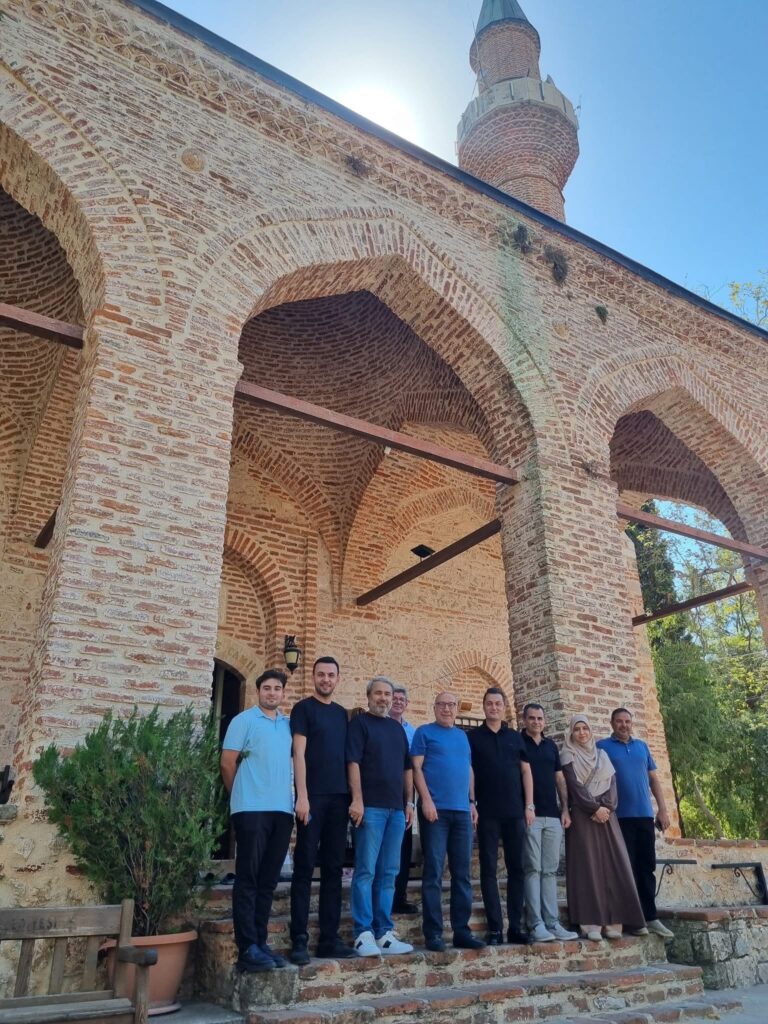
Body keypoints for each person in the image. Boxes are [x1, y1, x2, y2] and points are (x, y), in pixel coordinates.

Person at [220, 669, 294, 972]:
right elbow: (227, 763)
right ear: (258, 691)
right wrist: (240, 796)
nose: (272, 693)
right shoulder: (243, 721)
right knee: (248, 878)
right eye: (267, 688)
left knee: (268, 881)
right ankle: (247, 947)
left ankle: (261, 943)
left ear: (283, 693)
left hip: (282, 810)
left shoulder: (288, 726)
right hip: (251, 809)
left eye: (277, 688)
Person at [289, 656, 357, 964]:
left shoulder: (342, 714)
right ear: (313, 677)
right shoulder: (303, 709)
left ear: (338, 679)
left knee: (333, 870)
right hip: (313, 798)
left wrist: (355, 797)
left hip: (339, 799)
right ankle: (299, 941)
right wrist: (301, 796)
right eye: (321, 674)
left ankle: (328, 939)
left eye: (331, 674)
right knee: (304, 868)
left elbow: (348, 759)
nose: (326, 679)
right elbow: (299, 755)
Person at [560, 714, 645, 941]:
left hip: (608, 816)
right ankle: (591, 922)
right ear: (571, 733)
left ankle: (615, 919)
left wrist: (607, 807)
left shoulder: (602, 755)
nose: (581, 733)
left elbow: (612, 784)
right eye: (577, 729)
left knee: (614, 864)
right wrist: (593, 809)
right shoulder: (567, 756)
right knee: (587, 867)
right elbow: (574, 787)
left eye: (585, 728)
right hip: (583, 816)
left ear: (590, 731)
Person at [411, 691, 485, 952]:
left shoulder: (462, 737)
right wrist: (426, 800)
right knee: (433, 872)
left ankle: (461, 931)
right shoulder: (424, 732)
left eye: (451, 705)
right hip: (436, 812)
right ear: (434, 707)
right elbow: (416, 768)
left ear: (456, 709)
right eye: (441, 704)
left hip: (462, 812)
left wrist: (472, 802)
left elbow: (468, 769)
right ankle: (433, 934)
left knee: (462, 874)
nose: (446, 709)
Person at [346, 677, 415, 956]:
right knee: (366, 870)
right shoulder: (359, 725)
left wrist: (409, 802)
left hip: (396, 810)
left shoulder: (397, 730)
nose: (384, 698)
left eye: (388, 694)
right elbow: (353, 762)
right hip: (370, 808)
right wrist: (358, 800)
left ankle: (383, 932)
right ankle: (363, 933)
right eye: (379, 693)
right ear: (369, 696)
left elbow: (406, 768)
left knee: (389, 872)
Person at [597, 708, 674, 939]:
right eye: (619, 721)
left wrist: (662, 809)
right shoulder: (602, 747)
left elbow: (653, 779)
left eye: (627, 721)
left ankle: (651, 917)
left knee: (646, 867)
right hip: (618, 818)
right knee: (625, 869)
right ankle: (632, 920)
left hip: (644, 816)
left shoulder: (642, 746)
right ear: (612, 723)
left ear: (632, 723)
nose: (624, 725)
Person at [468, 687, 533, 945]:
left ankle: (515, 927)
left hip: (515, 813)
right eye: (489, 703)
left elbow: (526, 772)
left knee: (517, 869)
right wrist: (472, 802)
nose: (494, 707)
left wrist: (529, 806)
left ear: (504, 707)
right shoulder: (473, 737)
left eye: (498, 703)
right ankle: (495, 928)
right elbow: (470, 771)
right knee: (488, 870)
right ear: (483, 707)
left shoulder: (516, 738)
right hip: (487, 813)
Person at [520, 703, 579, 942]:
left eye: (540, 718)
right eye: (532, 718)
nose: (536, 722)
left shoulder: (550, 746)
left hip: (553, 815)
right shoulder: (518, 743)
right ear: (524, 720)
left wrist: (564, 808)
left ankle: (552, 922)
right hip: (530, 814)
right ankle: (536, 924)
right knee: (532, 869)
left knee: (550, 870)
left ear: (544, 721)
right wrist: (527, 807)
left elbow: (559, 779)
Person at [390, 684, 418, 915]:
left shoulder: (413, 732)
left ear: (407, 704)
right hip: (381, 793)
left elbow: (416, 766)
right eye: (395, 698)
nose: (398, 701)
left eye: (402, 699)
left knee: (403, 847)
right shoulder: (380, 724)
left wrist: (412, 801)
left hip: (405, 794)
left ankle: (399, 897)